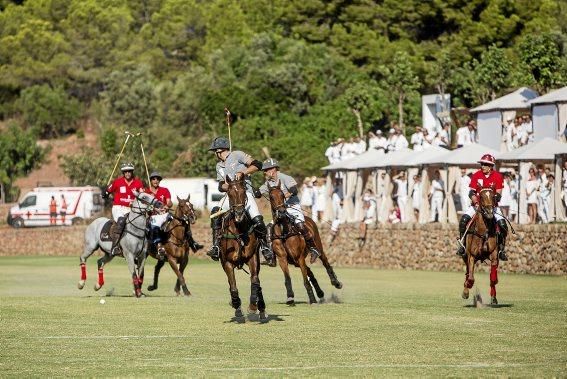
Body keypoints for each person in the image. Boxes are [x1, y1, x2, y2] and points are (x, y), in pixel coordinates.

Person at [206, 137, 275, 266]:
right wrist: (228, 186)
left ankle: (266, 248)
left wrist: (243, 172)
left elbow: (257, 164)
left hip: (245, 194)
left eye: (215, 151)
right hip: (230, 196)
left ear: (221, 150)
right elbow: (221, 186)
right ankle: (215, 246)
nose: (215, 154)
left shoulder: (237, 155)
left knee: (258, 219)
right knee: (215, 212)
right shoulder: (218, 166)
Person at [259, 158, 320, 263]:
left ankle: (313, 248)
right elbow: (258, 192)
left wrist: (283, 197)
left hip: (292, 206)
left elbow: (294, 190)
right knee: (269, 227)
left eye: (267, 169)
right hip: (281, 210)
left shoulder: (285, 178)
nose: (266, 172)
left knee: (300, 224)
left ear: (274, 169)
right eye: (265, 170)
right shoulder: (268, 183)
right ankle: (271, 254)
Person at [456, 154, 508, 261]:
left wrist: (491, 202)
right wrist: (475, 200)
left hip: (492, 207)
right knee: (463, 220)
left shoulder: (498, 176)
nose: (482, 166)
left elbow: (498, 194)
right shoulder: (476, 175)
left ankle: (502, 249)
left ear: (491, 166)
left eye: (485, 164)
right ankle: (462, 245)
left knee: (503, 225)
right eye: (482, 164)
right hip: (477, 206)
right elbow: (471, 192)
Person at [103, 162, 145, 256]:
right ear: (123, 173)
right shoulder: (117, 182)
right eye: (125, 172)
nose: (128, 173)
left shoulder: (138, 182)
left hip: (132, 209)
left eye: (129, 171)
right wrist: (105, 192)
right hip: (119, 208)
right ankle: (115, 246)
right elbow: (106, 192)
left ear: (132, 172)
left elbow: (142, 195)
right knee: (121, 221)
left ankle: (140, 246)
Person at [145, 171, 173, 259]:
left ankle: (191, 242)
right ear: (150, 181)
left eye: (157, 179)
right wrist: (152, 208)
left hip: (164, 214)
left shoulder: (164, 190)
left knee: (179, 222)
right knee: (154, 225)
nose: (156, 180)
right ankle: (159, 247)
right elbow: (144, 205)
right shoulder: (146, 192)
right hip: (153, 216)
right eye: (153, 179)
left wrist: (166, 206)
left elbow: (169, 202)